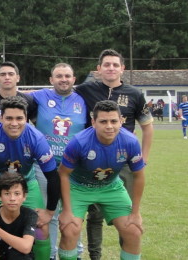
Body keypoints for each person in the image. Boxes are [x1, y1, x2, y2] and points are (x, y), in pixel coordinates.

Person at [73, 49, 153, 260]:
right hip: (91, 158)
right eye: (106, 64)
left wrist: (143, 158)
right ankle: (95, 255)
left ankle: (125, 250)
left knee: (124, 215)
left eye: (115, 65)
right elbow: (55, 92)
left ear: (122, 68)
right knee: (95, 214)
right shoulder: (86, 89)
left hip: (123, 161)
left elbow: (147, 126)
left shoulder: (134, 94)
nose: (111, 68)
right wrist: (0, 92)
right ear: (98, 69)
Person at [0, 96, 59, 260]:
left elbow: (52, 176)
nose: (14, 123)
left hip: (25, 183)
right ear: (1, 118)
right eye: (9, 118)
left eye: (19, 118)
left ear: (27, 119)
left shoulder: (36, 139)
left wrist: (49, 211)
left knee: (41, 227)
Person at [57, 100, 145, 260]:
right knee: (69, 230)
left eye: (114, 121)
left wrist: (136, 212)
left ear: (121, 121)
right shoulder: (79, 142)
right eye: (103, 121)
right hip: (78, 187)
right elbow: (63, 174)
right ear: (93, 122)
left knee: (134, 230)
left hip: (110, 187)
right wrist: (67, 211)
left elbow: (139, 175)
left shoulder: (130, 142)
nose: (109, 126)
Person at [29, 63, 87, 260]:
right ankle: (51, 255)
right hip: (45, 166)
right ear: (51, 80)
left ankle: (75, 253)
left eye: (67, 76)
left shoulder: (83, 100)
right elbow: (16, 96)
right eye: (59, 76)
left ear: (74, 79)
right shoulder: (40, 96)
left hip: (74, 168)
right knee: (48, 213)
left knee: (74, 213)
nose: (64, 79)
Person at [0, 172, 38, 260]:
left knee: (17, 256)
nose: (12, 198)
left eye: (17, 193)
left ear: (24, 196)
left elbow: (26, 247)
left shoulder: (30, 215)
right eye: (7, 194)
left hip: (20, 257)